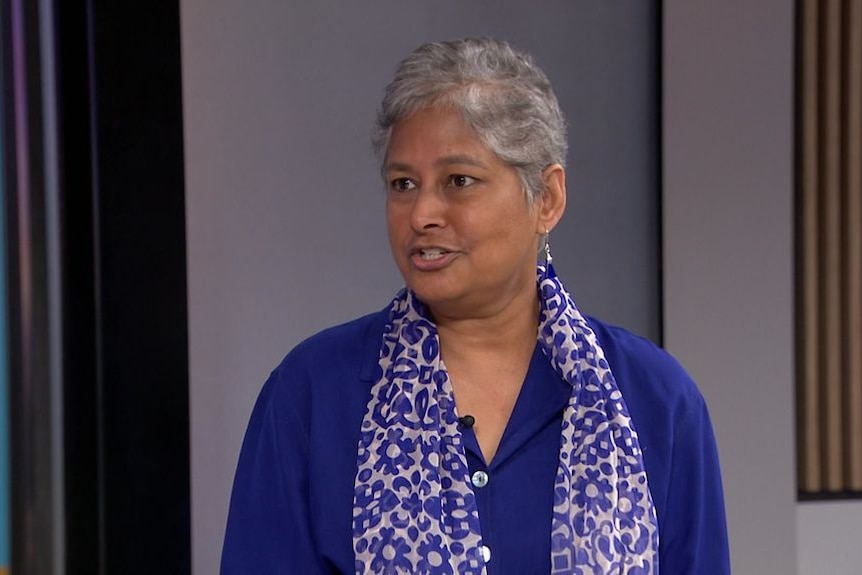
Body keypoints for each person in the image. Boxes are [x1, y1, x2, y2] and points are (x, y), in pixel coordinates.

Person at [221, 38, 729, 574]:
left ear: (547, 199)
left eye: (458, 181)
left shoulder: (655, 400)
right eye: (402, 184)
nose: (422, 213)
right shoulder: (312, 394)